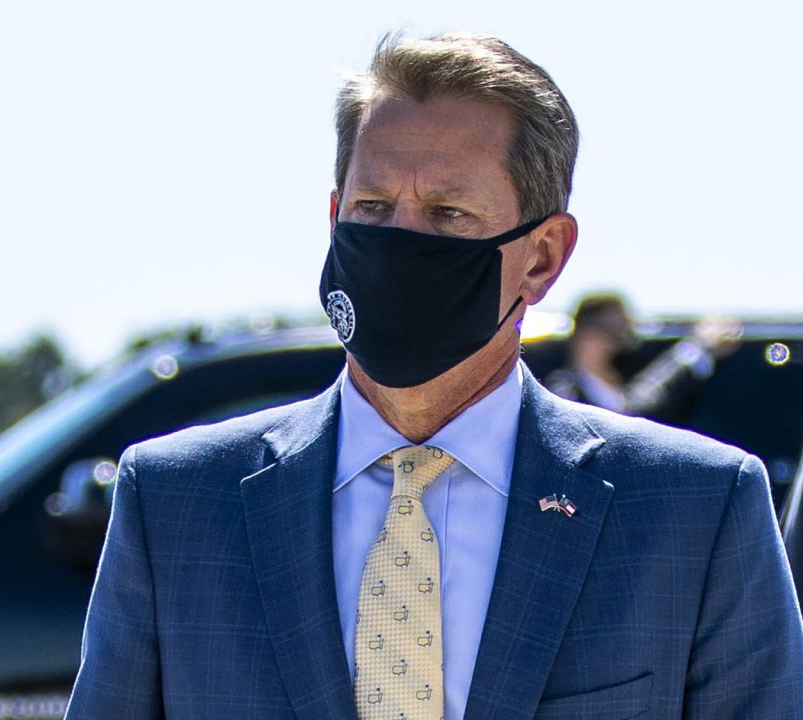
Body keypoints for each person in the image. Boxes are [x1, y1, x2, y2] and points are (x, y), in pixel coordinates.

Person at [65, 33, 803, 720]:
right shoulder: (175, 503)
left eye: (448, 214)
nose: (398, 242)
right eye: (373, 207)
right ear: (333, 219)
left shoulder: (694, 512)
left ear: (543, 256)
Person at [546, 292, 741, 422]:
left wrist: (698, 349)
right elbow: (632, 417)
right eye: (619, 334)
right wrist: (693, 351)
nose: (629, 345)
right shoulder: (563, 399)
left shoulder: (615, 396)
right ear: (588, 339)